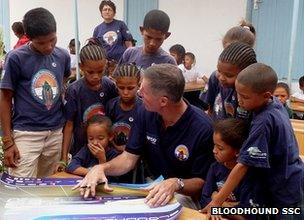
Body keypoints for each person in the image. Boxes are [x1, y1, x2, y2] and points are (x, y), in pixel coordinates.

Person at [74, 63, 214, 209]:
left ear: (163, 101)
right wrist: (101, 168)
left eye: (144, 91)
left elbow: (202, 182)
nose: (139, 93)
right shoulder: (145, 111)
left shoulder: (202, 128)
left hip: (185, 195)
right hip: (150, 186)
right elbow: (128, 158)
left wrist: (176, 183)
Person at [203, 63, 304, 219]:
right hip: (285, 182)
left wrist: (217, 202)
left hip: (285, 192)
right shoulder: (274, 104)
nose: (239, 100)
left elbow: (243, 165)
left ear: (266, 95)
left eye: (245, 97)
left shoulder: (264, 121)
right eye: (237, 94)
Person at [0, 8, 71, 178]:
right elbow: (4, 98)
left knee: (49, 190)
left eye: (53, 40)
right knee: (22, 191)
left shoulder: (63, 56)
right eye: (41, 43)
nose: (49, 46)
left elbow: (63, 84)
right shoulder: (16, 58)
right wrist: (8, 142)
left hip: (55, 133)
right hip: (26, 134)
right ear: (29, 38)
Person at [58, 43, 118, 172]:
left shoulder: (109, 86)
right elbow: (69, 125)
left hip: (107, 150)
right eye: (90, 72)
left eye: (100, 71)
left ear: (105, 65)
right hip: (81, 152)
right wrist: (63, 158)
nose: (96, 76)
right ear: (81, 67)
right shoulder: (74, 90)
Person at [200, 119, 264, 219]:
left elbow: (247, 214)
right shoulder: (215, 167)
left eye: (220, 148)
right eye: (214, 145)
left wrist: (217, 200)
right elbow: (204, 200)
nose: (214, 151)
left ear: (238, 151)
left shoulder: (250, 175)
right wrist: (229, 206)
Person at [203, 21, 256, 115]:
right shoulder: (215, 78)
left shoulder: (252, 84)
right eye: (228, 51)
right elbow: (208, 109)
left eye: (229, 75)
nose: (222, 77)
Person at [208, 42, 257, 120]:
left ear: (247, 73)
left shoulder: (253, 97)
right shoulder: (224, 86)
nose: (221, 78)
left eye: (229, 75)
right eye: (219, 71)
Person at [106, 63, 142, 153]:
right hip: (112, 154)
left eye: (130, 88)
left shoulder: (143, 108)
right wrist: (116, 147)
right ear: (116, 84)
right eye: (121, 88)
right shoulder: (111, 105)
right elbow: (105, 131)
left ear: (138, 85)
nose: (125, 92)